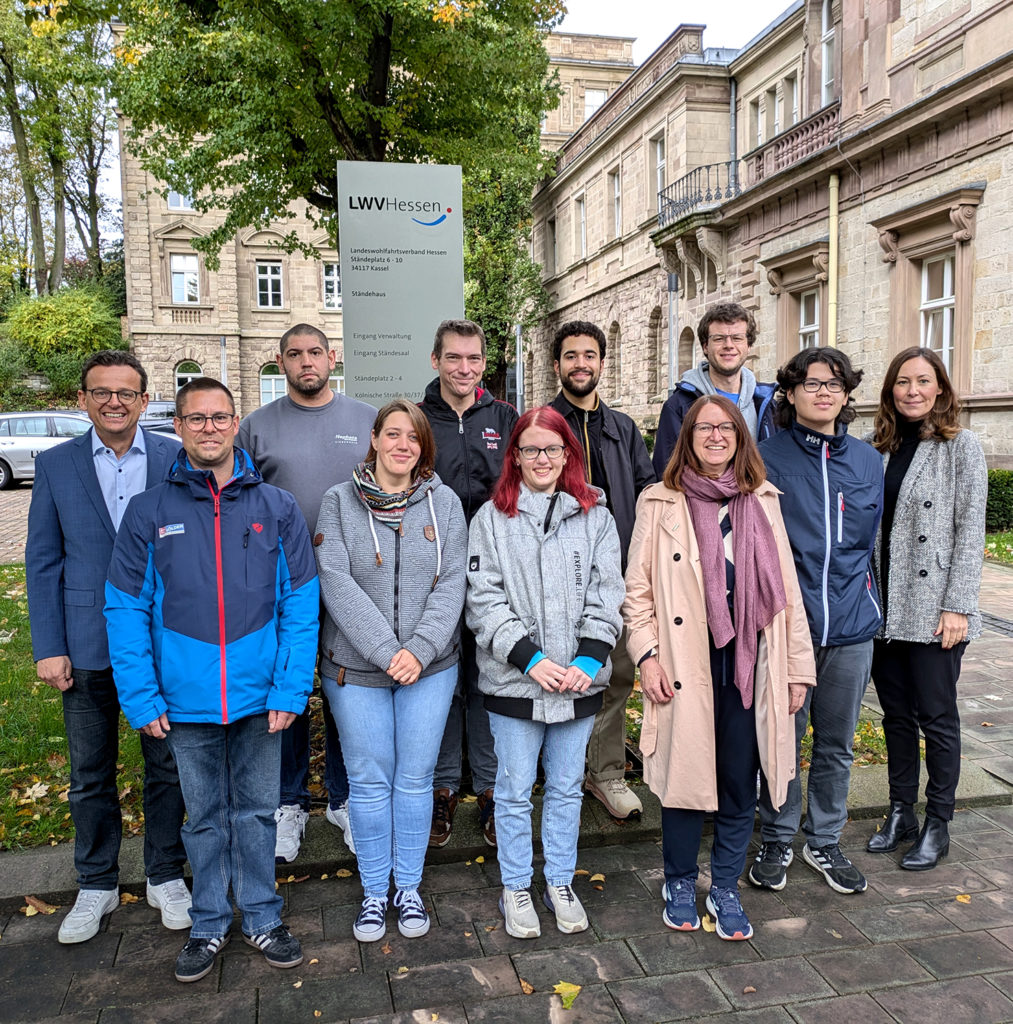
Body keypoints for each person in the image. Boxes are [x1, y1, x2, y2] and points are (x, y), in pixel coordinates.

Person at [105, 377, 319, 983]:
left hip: (260, 697)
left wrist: (289, 687)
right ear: (179, 425)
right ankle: (206, 923)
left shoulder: (276, 508)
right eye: (194, 418)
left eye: (218, 417)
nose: (207, 427)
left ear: (234, 423)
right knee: (201, 817)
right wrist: (141, 696)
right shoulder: (149, 511)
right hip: (183, 699)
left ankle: (259, 915)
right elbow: (124, 609)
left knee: (257, 813)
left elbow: (301, 606)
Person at [624, 396, 814, 941]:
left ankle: (725, 884)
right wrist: (647, 655)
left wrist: (798, 668)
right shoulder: (660, 501)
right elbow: (636, 593)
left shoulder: (763, 501)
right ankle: (680, 882)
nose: (714, 436)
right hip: (686, 659)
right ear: (688, 436)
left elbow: (789, 595)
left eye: (725, 427)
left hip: (751, 659)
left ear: (740, 436)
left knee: (739, 774)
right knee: (685, 777)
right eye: (704, 427)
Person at [26, 350, 188, 945]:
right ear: (83, 399)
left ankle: (165, 873)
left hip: (165, 641)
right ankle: (95, 882)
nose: (114, 402)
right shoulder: (56, 465)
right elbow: (43, 560)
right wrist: (49, 644)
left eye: (126, 392)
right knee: (89, 772)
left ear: (145, 401)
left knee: (167, 766)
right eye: (102, 392)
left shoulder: (175, 457)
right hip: (86, 643)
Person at [466, 407, 623, 939]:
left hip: (579, 683)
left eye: (552, 449)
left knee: (565, 787)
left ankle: (559, 880)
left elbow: (608, 593)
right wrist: (530, 658)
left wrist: (587, 658)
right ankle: (516, 885)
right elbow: (483, 600)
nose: (541, 459)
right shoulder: (491, 519)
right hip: (516, 683)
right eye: (530, 449)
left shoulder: (596, 516)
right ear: (514, 455)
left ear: (567, 455)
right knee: (512, 792)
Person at [315, 399, 467, 942]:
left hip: (429, 667)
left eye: (414, 438)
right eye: (393, 434)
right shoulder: (338, 502)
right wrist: (386, 650)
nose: (403, 445)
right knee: (369, 782)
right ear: (375, 439)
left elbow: (452, 582)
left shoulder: (444, 503)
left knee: (414, 780)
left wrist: (420, 649)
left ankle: (409, 887)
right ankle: (375, 891)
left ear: (424, 448)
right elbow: (334, 580)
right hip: (357, 671)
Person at [239, 323, 375, 862]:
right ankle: (289, 802)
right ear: (280, 362)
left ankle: (343, 797)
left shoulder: (365, 421)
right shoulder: (255, 427)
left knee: (346, 690)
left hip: (353, 584)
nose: (306, 362)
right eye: (294, 354)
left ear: (332, 356)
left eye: (315, 352)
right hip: (281, 584)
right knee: (288, 690)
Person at [751, 348, 883, 895]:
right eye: (810, 384)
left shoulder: (868, 460)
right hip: (788, 629)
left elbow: (872, 542)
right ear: (791, 393)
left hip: (852, 626)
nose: (823, 392)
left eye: (833, 384)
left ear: (847, 394)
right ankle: (777, 836)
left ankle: (824, 839)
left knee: (836, 743)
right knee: (782, 737)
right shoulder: (764, 457)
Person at [865, 347, 986, 870]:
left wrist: (957, 605)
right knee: (895, 716)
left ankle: (938, 820)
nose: (912, 390)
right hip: (883, 606)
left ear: (940, 388)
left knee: (937, 718)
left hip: (934, 606)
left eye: (923, 381)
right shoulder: (879, 449)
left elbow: (968, 531)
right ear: (891, 390)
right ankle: (900, 810)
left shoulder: (962, 447)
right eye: (902, 382)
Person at [548, 320, 655, 822]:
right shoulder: (542, 425)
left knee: (615, 677)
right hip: (553, 582)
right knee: (558, 680)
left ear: (602, 364)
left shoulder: (624, 429)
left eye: (589, 355)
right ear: (557, 365)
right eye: (571, 356)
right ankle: (558, 778)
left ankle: (606, 773)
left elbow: (649, 497)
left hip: (615, 578)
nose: (581, 364)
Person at [421, 318, 517, 849]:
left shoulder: (505, 418)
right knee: (440, 680)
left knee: (489, 678)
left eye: (474, 359)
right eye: (454, 358)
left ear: (484, 363)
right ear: (435, 361)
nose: (464, 368)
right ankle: (441, 789)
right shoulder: (416, 420)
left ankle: (489, 788)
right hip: (429, 575)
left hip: (494, 573)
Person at [652, 302, 777, 476]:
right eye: (719, 339)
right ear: (705, 346)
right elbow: (667, 473)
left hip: (755, 500)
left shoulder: (765, 404)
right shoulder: (679, 406)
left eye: (737, 338)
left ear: (748, 346)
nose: (728, 345)